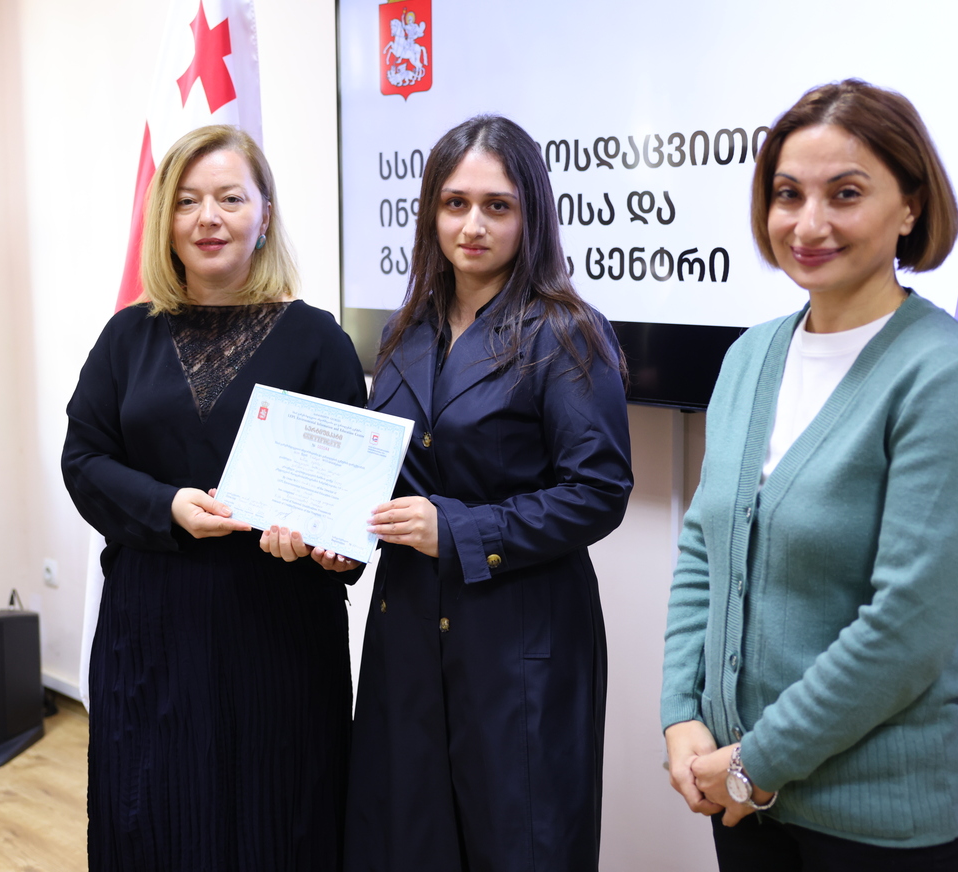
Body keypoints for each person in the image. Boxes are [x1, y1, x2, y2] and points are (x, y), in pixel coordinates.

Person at [660, 80, 958, 870]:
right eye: (788, 194)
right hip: (742, 804)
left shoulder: (948, 376)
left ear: (911, 207)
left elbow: (907, 627)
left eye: (845, 194)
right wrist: (681, 714)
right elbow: (702, 552)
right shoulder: (749, 355)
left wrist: (759, 763)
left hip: (878, 824)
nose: (808, 223)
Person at [61, 125, 364, 872]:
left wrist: (330, 547)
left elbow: (349, 503)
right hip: (151, 626)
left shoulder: (318, 340)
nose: (209, 218)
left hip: (279, 629)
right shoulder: (126, 337)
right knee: (154, 815)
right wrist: (168, 505)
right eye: (187, 201)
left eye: (230, 198)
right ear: (165, 218)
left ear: (264, 215)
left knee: (281, 819)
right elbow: (85, 459)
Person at [345, 115, 635, 871]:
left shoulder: (567, 331)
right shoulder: (403, 330)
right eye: (455, 203)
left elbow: (598, 491)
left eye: (496, 206)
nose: (472, 225)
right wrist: (328, 527)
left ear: (530, 214)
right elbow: (382, 471)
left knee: (522, 844)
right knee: (407, 841)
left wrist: (459, 531)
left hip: (520, 639)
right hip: (407, 631)